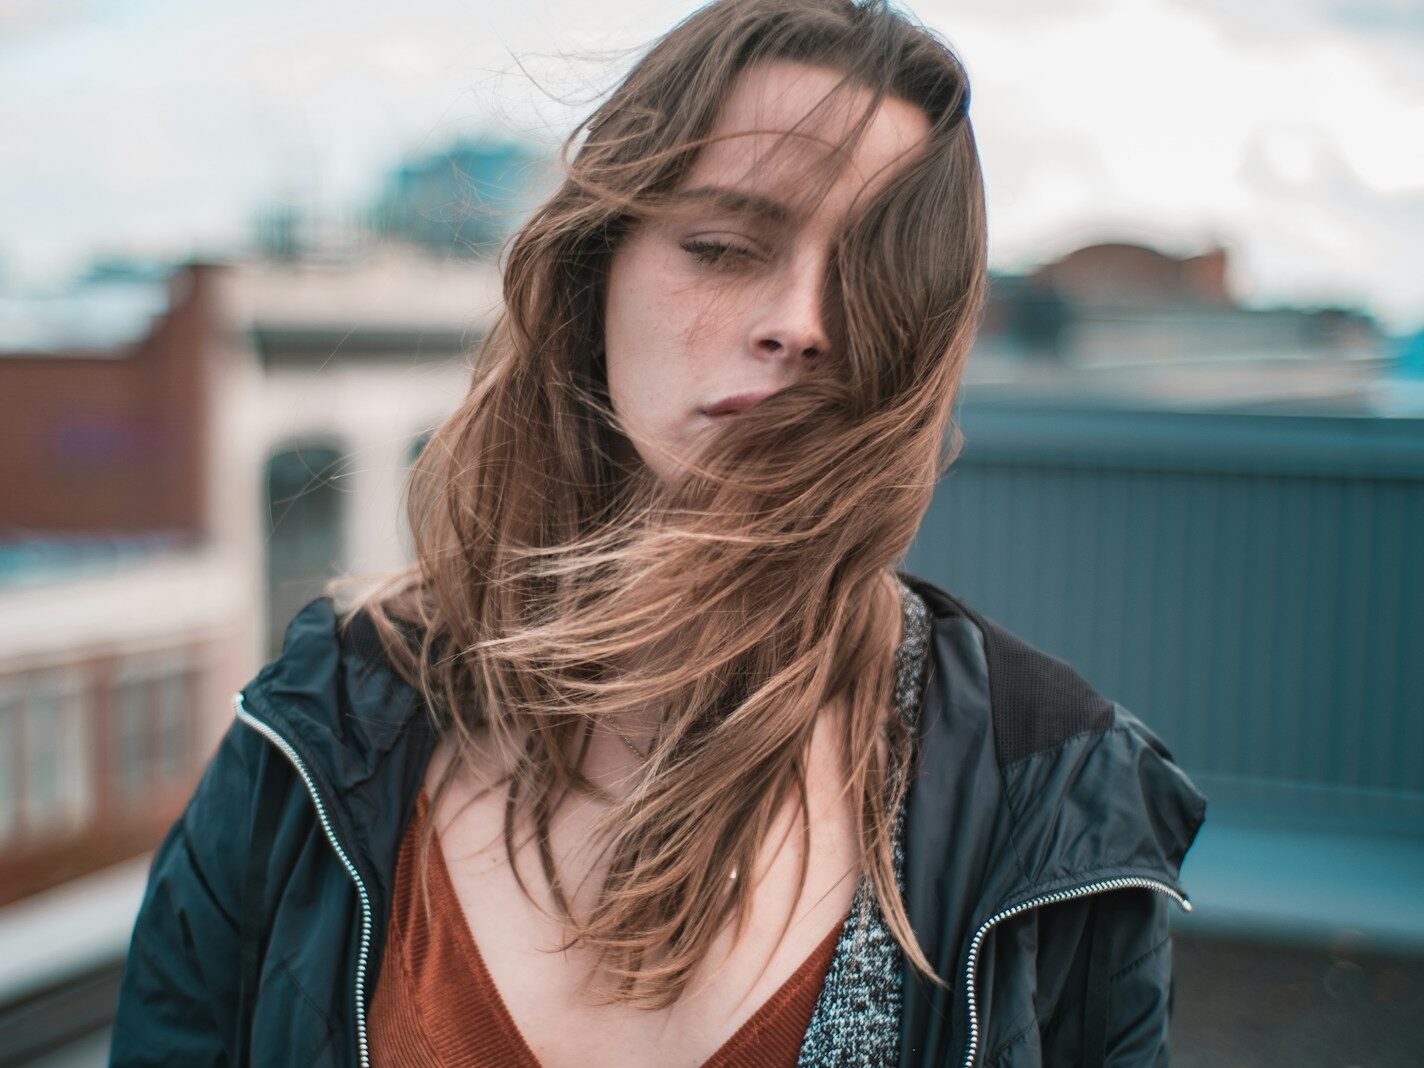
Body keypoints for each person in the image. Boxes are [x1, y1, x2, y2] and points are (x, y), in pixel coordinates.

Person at [110, 0, 1206, 1065]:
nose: (801, 322)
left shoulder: (1055, 798)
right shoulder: (320, 723)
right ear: (596, 271)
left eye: (872, 277)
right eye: (726, 245)